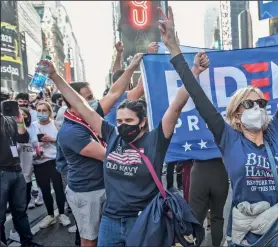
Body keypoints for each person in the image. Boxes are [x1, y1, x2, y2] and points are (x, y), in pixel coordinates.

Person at [49, 21, 209, 246]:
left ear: (143, 122)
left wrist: (194, 71)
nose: (122, 125)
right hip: (110, 221)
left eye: (129, 121)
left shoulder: (156, 139)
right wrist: (56, 76)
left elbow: (177, 105)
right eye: (119, 120)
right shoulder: (111, 134)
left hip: (144, 220)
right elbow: (80, 105)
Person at [171, 3, 278, 245]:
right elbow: (196, 94)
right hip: (248, 231)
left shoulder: (275, 133)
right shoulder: (229, 139)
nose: (257, 108)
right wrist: (173, 48)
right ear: (236, 114)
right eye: (249, 104)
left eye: (261, 103)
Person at [56, 54, 143, 246]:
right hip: (88, 193)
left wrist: (133, 67)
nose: (93, 101)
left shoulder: (89, 114)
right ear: (73, 101)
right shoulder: (71, 132)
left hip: (102, 186)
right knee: (90, 240)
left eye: (92, 96)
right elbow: (108, 155)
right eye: (87, 98)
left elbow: (114, 93)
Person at [0, 88, 42, 247]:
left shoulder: (11, 119)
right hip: (2, 171)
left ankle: (27, 242)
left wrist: (19, 121)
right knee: (1, 216)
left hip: (16, 170)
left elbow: (23, 138)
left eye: (6, 98)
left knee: (20, 211)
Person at [32, 101, 70, 229]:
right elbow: (27, 144)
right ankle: (49, 215)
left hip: (55, 161)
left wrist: (53, 139)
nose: (41, 113)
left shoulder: (56, 125)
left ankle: (62, 213)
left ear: (49, 112)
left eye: (44, 110)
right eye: (39, 110)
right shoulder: (33, 126)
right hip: (39, 162)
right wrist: (36, 150)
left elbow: (64, 142)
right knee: (45, 190)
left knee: (59, 189)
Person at [103, 41, 158, 126]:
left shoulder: (109, 98)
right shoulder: (122, 97)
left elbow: (117, 76)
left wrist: (119, 54)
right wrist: (151, 56)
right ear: (128, 84)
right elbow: (141, 88)